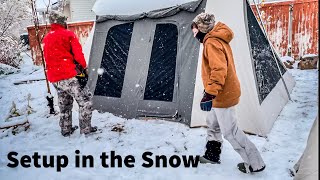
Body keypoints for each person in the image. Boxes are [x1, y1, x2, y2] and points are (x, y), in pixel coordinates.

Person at [191, 12, 266, 173]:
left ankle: (255, 163)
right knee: (213, 123)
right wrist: (209, 92)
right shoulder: (215, 39)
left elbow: (219, 70)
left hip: (222, 94)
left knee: (230, 132)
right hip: (219, 92)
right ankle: (212, 154)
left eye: (195, 30)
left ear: (203, 29)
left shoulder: (211, 42)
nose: (194, 34)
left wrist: (210, 94)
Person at [43, 10, 97, 136]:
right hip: (68, 75)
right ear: (62, 22)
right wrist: (84, 67)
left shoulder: (47, 37)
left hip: (54, 78)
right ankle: (85, 129)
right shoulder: (68, 34)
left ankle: (66, 129)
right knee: (86, 101)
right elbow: (78, 54)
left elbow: (47, 58)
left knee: (65, 103)